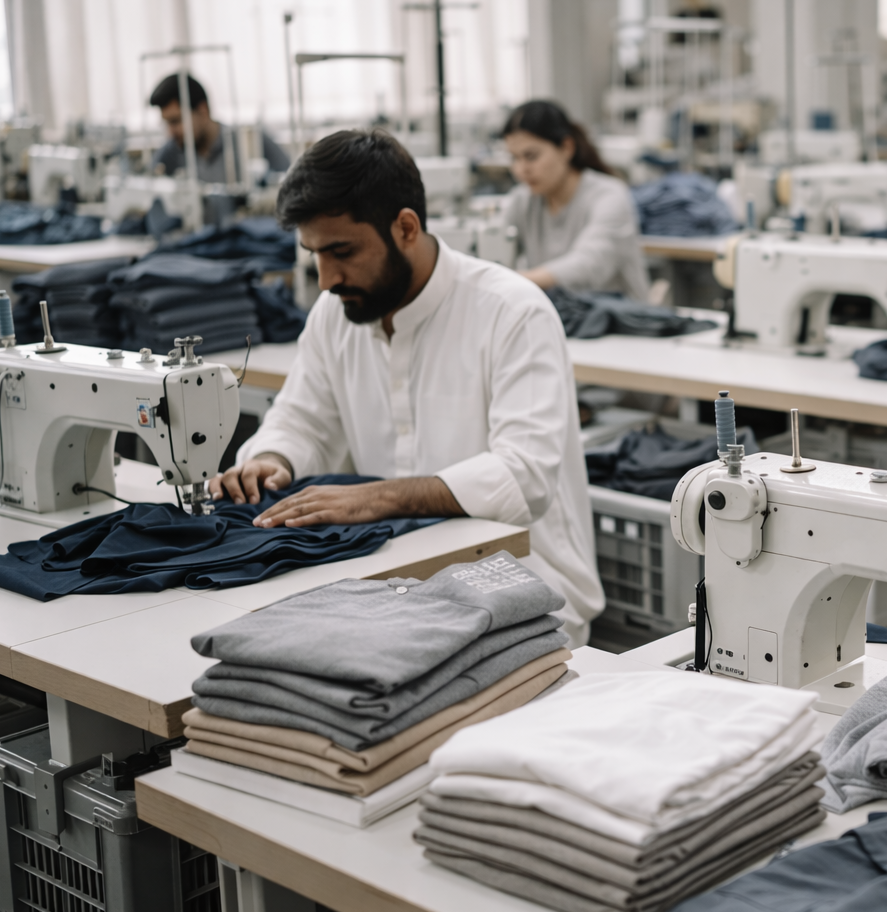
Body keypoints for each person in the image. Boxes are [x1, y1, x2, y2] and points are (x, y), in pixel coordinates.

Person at [209, 130, 603, 644]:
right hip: (394, 577)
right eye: (314, 254)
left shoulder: (513, 312)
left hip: (528, 585)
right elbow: (303, 420)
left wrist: (376, 499)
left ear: (406, 227)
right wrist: (272, 458)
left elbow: (523, 474)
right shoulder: (334, 313)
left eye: (342, 251)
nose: (325, 278)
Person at [500, 100, 650, 300]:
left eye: (531, 156)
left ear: (566, 148)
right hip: (562, 313)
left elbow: (588, 265)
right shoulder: (522, 200)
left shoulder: (609, 195)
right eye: (514, 158)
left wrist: (511, 281)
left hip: (618, 316)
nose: (521, 170)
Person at [150, 73, 290, 185]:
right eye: (166, 123)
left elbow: (290, 182)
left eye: (176, 121)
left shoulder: (248, 141)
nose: (171, 132)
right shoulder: (173, 150)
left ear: (203, 111)